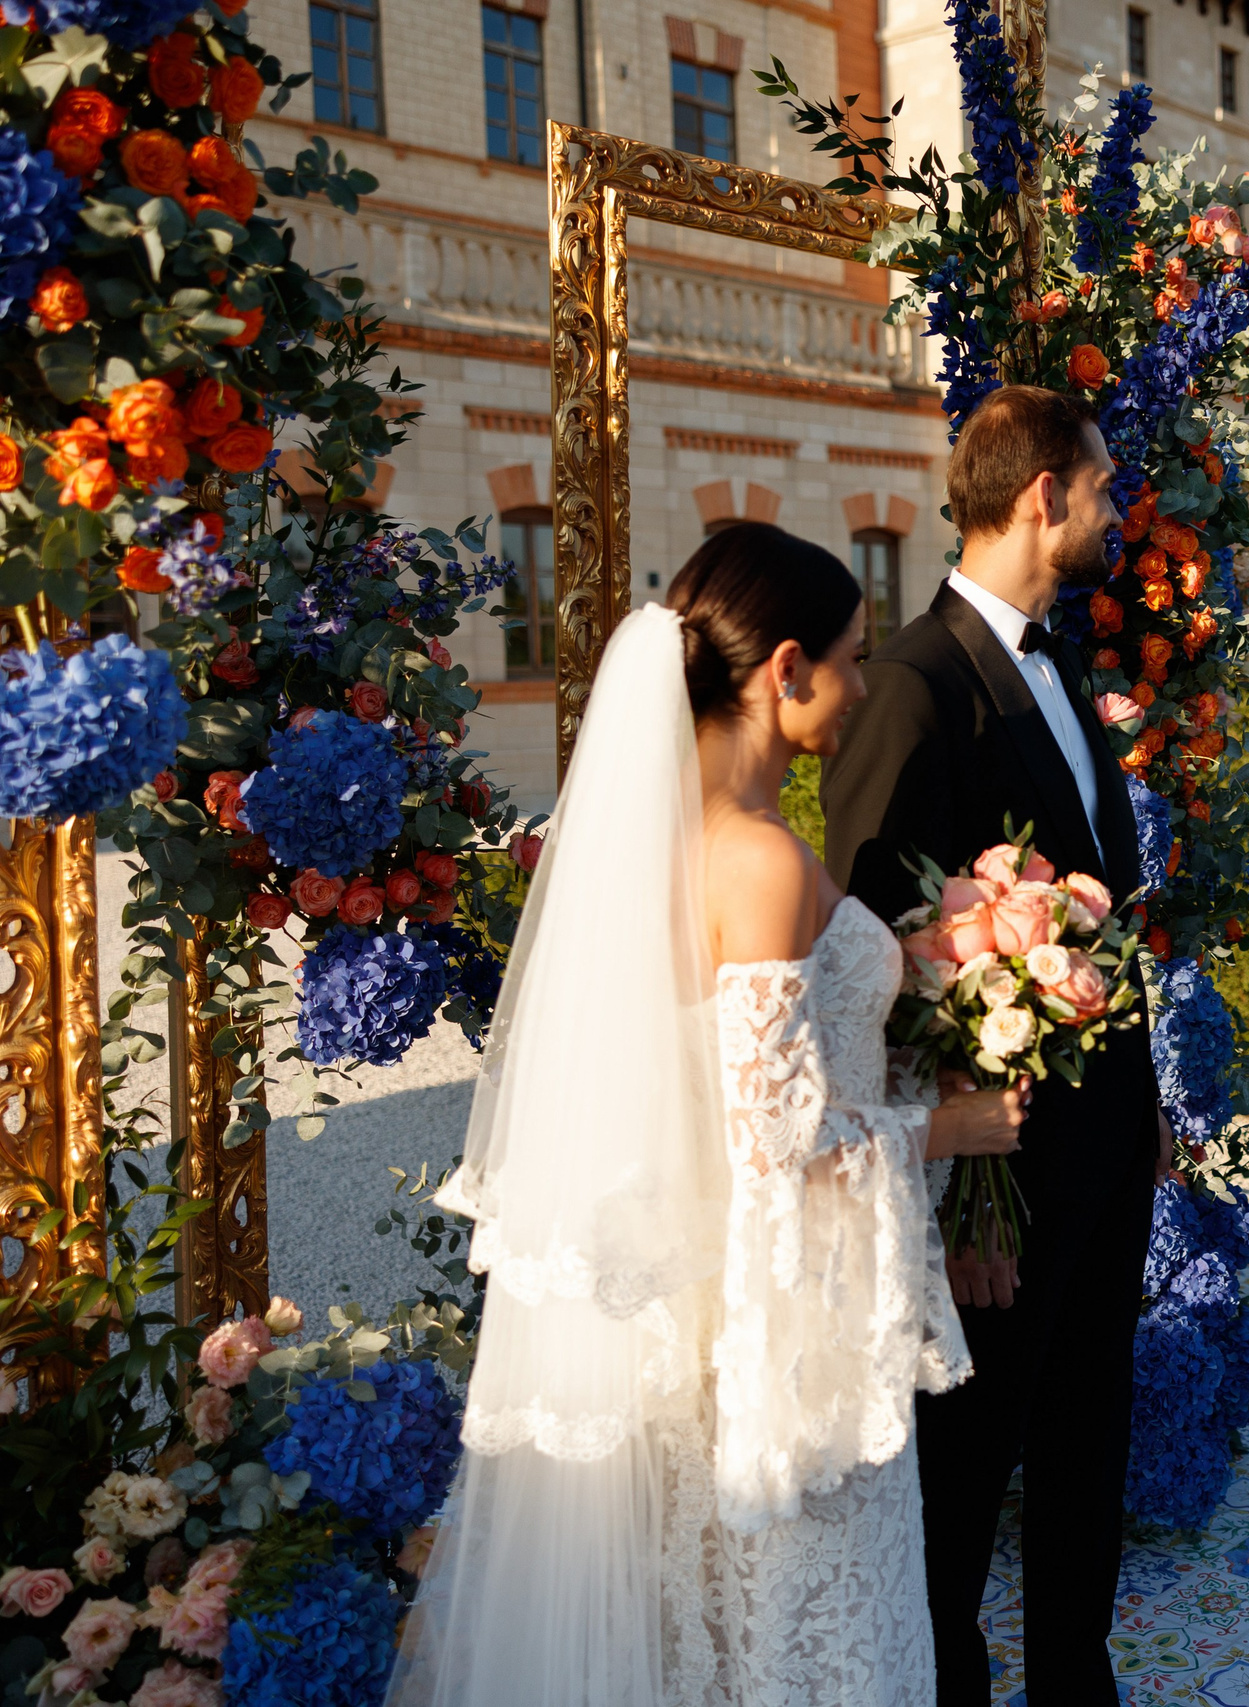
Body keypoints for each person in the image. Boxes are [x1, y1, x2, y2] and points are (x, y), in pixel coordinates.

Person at [389, 522, 1028, 1707]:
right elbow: (774, 1139)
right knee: (806, 1633)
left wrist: (908, 978)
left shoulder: (676, 847)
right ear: (785, 671)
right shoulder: (763, 863)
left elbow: (734, 1074)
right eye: (847, 658)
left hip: (711, 1319)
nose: (856, 687)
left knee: (718, 1634)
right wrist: (954, 1128)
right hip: (790, 1330)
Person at [822, 386, 1168, 1707]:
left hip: (1096, 1130)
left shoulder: (1057, 658)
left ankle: (1077, 1676)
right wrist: (952, 1148)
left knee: (1092, 1423)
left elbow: (1105, 901)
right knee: (965, 1454)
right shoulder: (911, 681)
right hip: (992, 1159)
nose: (1114, 510)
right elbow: (867, 932)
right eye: (1101, 488)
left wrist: (1141, 1104)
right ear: (1044, 497)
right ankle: (943, 1681)